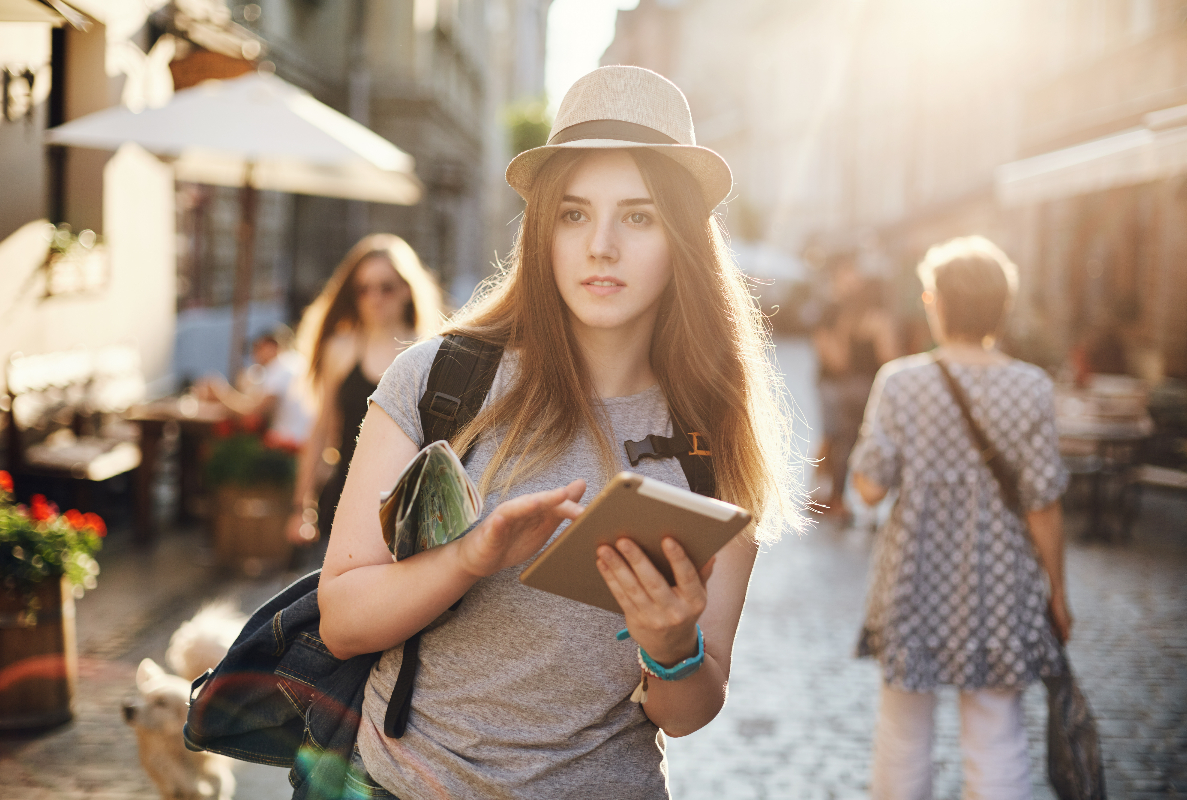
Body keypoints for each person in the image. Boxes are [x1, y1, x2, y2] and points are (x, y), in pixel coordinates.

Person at [317, 66, 800, 799]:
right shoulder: (438, 379)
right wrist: (468, 558)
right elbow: (341, 621)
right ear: (543, 229)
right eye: (574, 214)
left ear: (682, 239)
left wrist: (672, 648)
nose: (600, 245)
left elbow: (693, 707)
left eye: (637, 216)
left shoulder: (712, 428)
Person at [849, 236, 1071, 800]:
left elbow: (869, 490)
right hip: (1001, 581)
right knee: (997, 735)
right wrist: (1059, 594)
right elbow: (1043, 503)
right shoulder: (1032, 387)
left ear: (937, 303)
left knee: (903, 733)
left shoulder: (900, 382)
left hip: (914, 577)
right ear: (1002, 308)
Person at [285, 234, 443, 550]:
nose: (375, 297)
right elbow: (319, 432)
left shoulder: (431, 353)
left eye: (386, 287)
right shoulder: (341, 350)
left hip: (407, 510)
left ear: (407, 291)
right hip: (346, 499)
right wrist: (300, 507)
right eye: (363, 289)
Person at [813, 260, 898, 518]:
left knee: (836, 440)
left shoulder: (844, 316)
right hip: (866, 387)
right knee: (857, 441)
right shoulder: (878, 317)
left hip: (841, 386)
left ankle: (831, 496)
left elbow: (838, 358)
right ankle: (852, 496)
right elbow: (889, 355)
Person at [196, 326, 312, 449]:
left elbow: (254, 412)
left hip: (291, 442)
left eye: (257, 348)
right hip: (303, 438)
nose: (254, 355)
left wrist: (221, 394)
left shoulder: (280, 368)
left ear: (272, 346)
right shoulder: (294, 362)